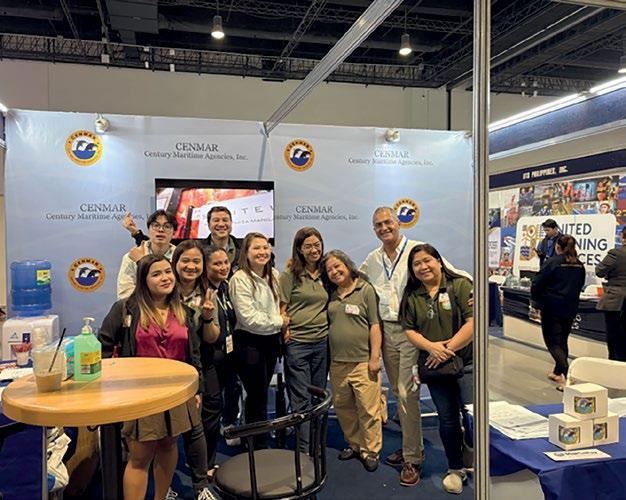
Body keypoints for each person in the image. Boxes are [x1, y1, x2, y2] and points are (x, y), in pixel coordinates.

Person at [359, 206, 469, 487]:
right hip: (386, 332)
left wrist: (475, 294)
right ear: (374, 230)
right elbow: (355, 282)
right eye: (378, 225)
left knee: (407, 394)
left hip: (410, 332)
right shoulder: (373, 259)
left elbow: (455, 274)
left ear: (398, 223)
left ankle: (413, 459)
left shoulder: (418, 252)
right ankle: (412, 446)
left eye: (388, 222)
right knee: (399, 393)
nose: (384, 228)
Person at [99, 255, 214, 500]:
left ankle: (161, 497)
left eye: (168, 272)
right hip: (140, 395)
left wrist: (198, 389)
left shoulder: (182, 311)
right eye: (156, 274)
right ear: (144, 280)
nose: (165, 278)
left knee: (168, 446)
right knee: (140, 457)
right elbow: (103, 347)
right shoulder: (125, 309)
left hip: (176, 392)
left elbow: (193, 354)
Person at [399, 244, 474, 495]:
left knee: (472, 416)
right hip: (435, 367)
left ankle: (471, 450)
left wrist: (446, 350)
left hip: (466, 363)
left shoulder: (460, 285)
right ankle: (455, 469)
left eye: (427, 260)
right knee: (447, 418)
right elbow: (410, 330)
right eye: (416, 264)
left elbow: (473, 323)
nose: (423, 267)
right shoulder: (413, 296)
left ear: (439, 261)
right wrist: (431, 348)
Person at [321, 250, 382, 473]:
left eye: (338, 266)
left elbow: (375, 324)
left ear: (348, 265)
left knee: (368, 409)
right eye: (329, 269)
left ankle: (371, 450)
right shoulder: (331, 294)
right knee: (344, 407)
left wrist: (374, 357)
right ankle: (355, 445)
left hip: (363, 362)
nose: (334, 272)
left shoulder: (365, 289)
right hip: (338, 363)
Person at [171, 241, 224, 492]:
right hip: (172, 362)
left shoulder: (208, 293)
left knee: (211, 410)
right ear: (175, 263)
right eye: (185, 261)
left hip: (203, 360)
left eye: (196, 261)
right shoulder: (165, 290)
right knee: (172, 422)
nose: (191, 266)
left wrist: (207, 317)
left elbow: (213, 337)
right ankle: (168, 476)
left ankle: (206, 465)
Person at [229, 232, 288, 446]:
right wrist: (281, 322)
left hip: (270, 342)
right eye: (256, 248)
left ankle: (255, 437)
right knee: (256, 395)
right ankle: (257, 444)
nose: (262, 252)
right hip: (249, 343)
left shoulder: (274, 275)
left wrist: (279, 323)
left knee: (261, 393)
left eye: (265, 247)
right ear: (246, 252)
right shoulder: (240, 279)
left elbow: (279, 305)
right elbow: (249, 319)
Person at [279, 227, 329, 452]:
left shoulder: (326, 273)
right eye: (308, 246)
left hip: (322, 342)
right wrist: (284, 331)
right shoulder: (290, 275)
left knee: (318, 396)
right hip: (297, 343)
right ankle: (303, 450)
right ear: (299, 249)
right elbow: (282, 308)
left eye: (317, 244)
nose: (314, 249)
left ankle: (316, 443)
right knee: (301, 399)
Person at [531, 235, 585, 390]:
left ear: (557, 247)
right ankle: (557, 372)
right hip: (570, 307)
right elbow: (580, 285)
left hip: (552, 307)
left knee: (553, 343)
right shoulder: (579, 265)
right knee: (562, 340)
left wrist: (536, 300)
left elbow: (537, 283)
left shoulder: (553, 262)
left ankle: (567, 374)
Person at [204, 245, 242, 457]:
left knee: (233, 388)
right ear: (206, 266)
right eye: (217, 264)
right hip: (210, 354)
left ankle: (228, 423)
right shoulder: (204, 291)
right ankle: (205, 456)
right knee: (212, 401)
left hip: (229, 350)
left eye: (225, 262)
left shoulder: (226, 287)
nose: (223, 267)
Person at [123, 206, 241, 268]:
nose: (221, 224)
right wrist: (136, 234)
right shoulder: (198, 249)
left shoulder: (243, 248)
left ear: (231, 223)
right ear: (209, 225)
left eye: (225, 220)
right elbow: (157, 243)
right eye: (216, 220)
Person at [117, 210, 177, 299]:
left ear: (174, 233)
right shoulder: (131, 258)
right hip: (139, 307)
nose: (161, 230)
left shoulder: (180, 258)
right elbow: (125, 294)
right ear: (149, 230)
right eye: (156, 225)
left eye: (167, 226)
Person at [596, 227, 626, 361]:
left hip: (616, 300)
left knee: (614, 334)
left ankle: (614, 363)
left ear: (623, 237)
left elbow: (599, 271)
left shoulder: (616, 253)